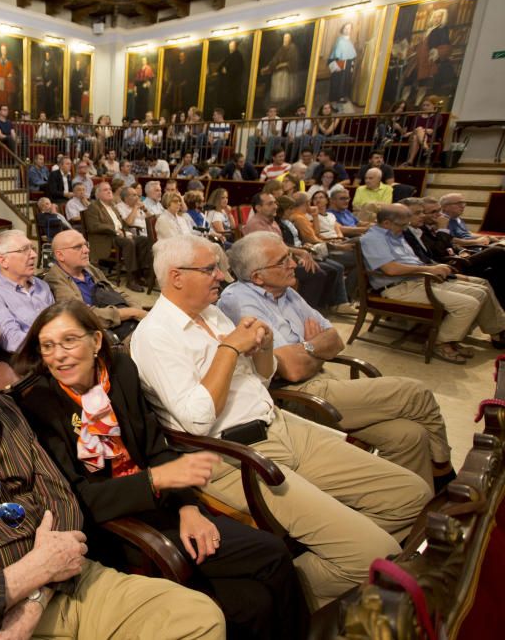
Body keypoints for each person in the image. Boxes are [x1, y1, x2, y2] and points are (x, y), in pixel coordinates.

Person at [0, 307, 226, 640]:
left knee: (199, 618)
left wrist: (35, 592)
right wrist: (31, 575)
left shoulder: (5, 412)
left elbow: (64, 504)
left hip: (68, 583)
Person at [130, 235, 432, 610]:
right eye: (210, 269)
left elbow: (263, 378)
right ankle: (282, 603)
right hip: (235, 456)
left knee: (413, 494)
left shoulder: (210, 313)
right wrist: (230, 348)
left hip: (280, 425)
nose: (221, 277)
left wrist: (266, 345)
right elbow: (195, 420)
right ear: (176, 277)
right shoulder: (155, 335)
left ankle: (349, 574)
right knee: (376, 552)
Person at [12, 300, 307, 640]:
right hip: (116, 527)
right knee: (271, 555)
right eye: (47, 346)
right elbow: (74, 498)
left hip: (163, 502)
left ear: (95, 342)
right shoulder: (37, 402)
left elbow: (154, 447)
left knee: (255, 601)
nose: (58, 355)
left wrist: (188, 506)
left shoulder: (119, 368)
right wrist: (155, 481)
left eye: (69, 341)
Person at [219, 232, 454, 491]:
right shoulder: (239, 301)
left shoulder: (286, 292)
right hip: (295, 396)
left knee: (410, 436)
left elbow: (335, 340)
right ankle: (445, 477)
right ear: (257, 276)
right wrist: (316, 348)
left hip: (323, 381)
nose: (293, 264)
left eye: (290, 256)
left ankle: (413, 509)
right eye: (283, 261)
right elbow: (292, 370)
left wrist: (307, 349)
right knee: (416, 393)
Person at [360, 204, 505, 363]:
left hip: (417, 280)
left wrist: (434, 268)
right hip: (397, 288)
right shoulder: (373, 239)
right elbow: (391, 270)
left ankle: (486, 333)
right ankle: (439, 343)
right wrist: (429, 269)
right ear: (386, 223)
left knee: (480, 292)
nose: (405, 229)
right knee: (468, 304)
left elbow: (412, 262)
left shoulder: (395, 234)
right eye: (402, 225)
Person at [44, 231, 147, 342]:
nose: (86, 250)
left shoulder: (89, 268)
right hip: (104, 331)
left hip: (125, 319)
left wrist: (137, 309)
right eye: (78, 247)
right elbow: (82, 315)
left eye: (86, 245)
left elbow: (118, 292)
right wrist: (131, 312)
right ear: (60, 255)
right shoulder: (55, 279)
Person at [0, 230, 55, 353]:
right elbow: (13, 341)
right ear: (3, 261)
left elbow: (57, 321)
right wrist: (55, 344)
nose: (34, 254)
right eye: (24, 250)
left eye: (32, 248)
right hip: (26, 360)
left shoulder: (41, 285)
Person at [82, 182, 152, 293]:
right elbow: (93, 226)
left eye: (110, 189)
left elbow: (122, 224)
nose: (109, 191)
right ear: (98, 194)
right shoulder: (93, 207)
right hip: (107, 238)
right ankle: (131, 279)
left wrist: (126, 232)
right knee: (128, 242)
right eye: (105, 190)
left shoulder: (112, 207)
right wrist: (115, 230)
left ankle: (141, 274)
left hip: (120, 235)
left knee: (144, 240)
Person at [402, 98, 441, 167]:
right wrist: (419, 130)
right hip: (414, 136)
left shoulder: (437, 116)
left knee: (416, 137)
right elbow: (411, 129)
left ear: (434, 106)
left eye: (427, 105)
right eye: (424, 105)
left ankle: (410, 160)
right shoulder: (417, 116)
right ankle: (426, 148)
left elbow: (431, 131)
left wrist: (420, 130)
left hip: (429, 137)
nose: (425, 107)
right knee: (417, 132)